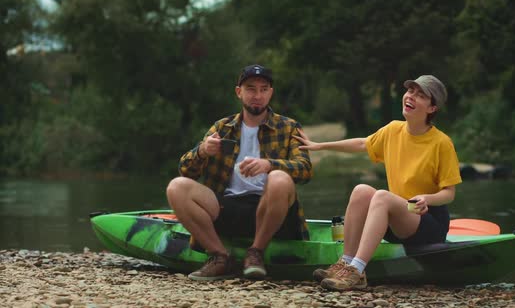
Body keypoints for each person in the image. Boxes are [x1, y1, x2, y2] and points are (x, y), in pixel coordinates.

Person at [296, 75, 462, 291]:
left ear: (432, 108)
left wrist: (427, 198)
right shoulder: (394, 129)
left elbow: (449, 193)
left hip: (428, 220)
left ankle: (356, 270)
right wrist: (320, 146)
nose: (411, 96)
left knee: (381, 196)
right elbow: (363, 143)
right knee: (361, 190)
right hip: (399, 215)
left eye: (420, 95)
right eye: (410, 91)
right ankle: (346, 263)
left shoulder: (442, 143)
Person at [166, 64, 312, 281]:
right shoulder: (222, 127)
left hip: (274, 212)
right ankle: (219, 257)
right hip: (228, 208)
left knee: (279, 178)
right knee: (176, 187)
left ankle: (256, 252)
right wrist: (203, 152)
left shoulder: (289, 127)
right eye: (251, 89)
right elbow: (185, 170)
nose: (257, 96)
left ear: (270, 93)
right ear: (239, 92)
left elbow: (306, 170)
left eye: (264, 89)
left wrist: (269, 165)